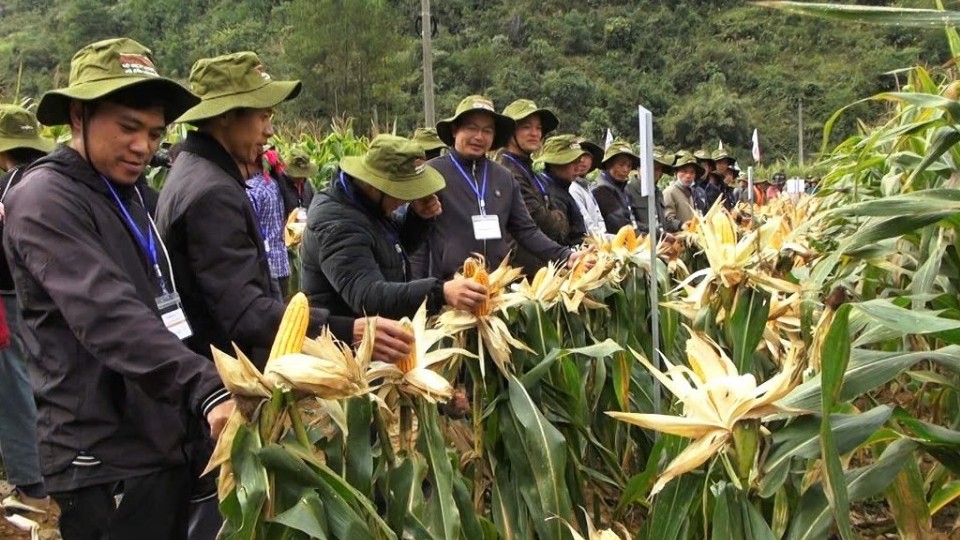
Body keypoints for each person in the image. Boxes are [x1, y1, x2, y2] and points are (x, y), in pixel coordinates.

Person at [4, 37, 234, 539]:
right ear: (78, 117)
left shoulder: (131, 194)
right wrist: (206, 389)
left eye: (155, 133)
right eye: (128, 127)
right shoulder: (44, 199)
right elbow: (106, 312)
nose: (143, 146)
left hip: (158, 438)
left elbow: (167, 306)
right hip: (102, 454)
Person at [157, 51, 413, 368]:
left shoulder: (191, 171)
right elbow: (244, 312)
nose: (269, 131)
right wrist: (347, 329)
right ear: (225, 116)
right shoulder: (213, 194)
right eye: (263, 117)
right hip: (224, 372)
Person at [301, 134, 487, 319]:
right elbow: (368, 297)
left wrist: (418, 218)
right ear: (375, 185)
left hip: (377, 335)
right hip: (343, 340)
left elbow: (390, 250)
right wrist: (439, 292)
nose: (405, 200)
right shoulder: (337, 223)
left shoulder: (368, 206)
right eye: (401, 192)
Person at [410, 95, 581, 280]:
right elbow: (415, 241)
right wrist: (422, 292)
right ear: (454, 130)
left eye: (487, 130)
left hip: (496, 286)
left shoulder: (504, 177)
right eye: (471, 128)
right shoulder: (432, 174)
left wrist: (565, 255)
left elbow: (526, 230)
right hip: (450, 290)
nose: (479, 136)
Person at [0, 105, 55, 528]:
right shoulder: (51, 184)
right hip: (48, 301)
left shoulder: (7, 188)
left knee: (14, 392)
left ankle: (31, 483)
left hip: (8, 302)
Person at [496, 99, 562, 273]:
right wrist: (557, 218)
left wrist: (554, 217)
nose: (535, 133)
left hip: (541, 266)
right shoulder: (506, 171)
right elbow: (541, 221)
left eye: (538, 128)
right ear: (510, 132)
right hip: (520, 273)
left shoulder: (527, 168)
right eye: (526, 127)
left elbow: (553, 212)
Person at [532, 134, 588, 254]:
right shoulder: (552, 193)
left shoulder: (563, 187)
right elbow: (560, 237)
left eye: (579, 162)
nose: (578, 168)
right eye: (572, 162)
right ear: (555, 163)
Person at [592, 139, 640, 234]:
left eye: (629, 166)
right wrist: (645, 237)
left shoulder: (623, 189)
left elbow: (632, 220)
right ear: (609, 164)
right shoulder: (602, 189)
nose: (625, 170)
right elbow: (619, 224)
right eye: (621, 165)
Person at [627, 146, 677, 234]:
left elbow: (663, 223)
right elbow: (630, 224)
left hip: (661, 244)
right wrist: (658, 233)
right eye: (648, 167)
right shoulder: (628, 191)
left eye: (656, 169)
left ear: (661, 173)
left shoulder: (658, 193)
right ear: (638, 168)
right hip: (641, 244)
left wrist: (680, 224)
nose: (651, 172)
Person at [568, 137, 606, 237]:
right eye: (579, 156)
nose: (582, 160)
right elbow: (586, 223)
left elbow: (598, 218)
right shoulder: (572, 188)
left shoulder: (586, 186)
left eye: (587, 156)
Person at [662, 150, 704, 228]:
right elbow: (668, 220)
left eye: (692, 172)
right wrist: (680, 225)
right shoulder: (670, 192)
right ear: (676, 173)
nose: (688, 175)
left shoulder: (691, 192)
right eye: (684, 171)